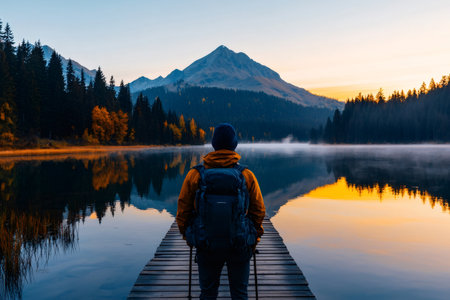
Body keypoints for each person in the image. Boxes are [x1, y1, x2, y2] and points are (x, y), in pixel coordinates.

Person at [176, 123, 266, 299]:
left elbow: (182, 213)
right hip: (239, 244)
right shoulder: (246, 175)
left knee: (207, 293)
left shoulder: (195, 175)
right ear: (235, 145)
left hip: (207, 244)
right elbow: (259, 212)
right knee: (240, 294)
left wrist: (191, 238)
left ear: (213, 144)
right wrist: (253, 239)